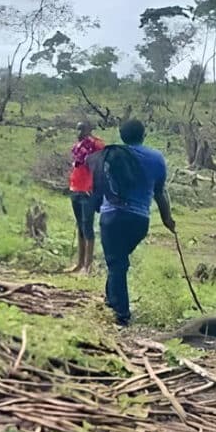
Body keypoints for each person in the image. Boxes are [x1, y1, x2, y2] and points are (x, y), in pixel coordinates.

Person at [88, 119, 175, 327]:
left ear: (121, 135)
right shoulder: (156, 158)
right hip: (139, 220)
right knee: (118, 261)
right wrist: (167, 220)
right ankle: (111, 301)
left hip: (112, 217)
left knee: (116, 263)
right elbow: (160, 192)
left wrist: (94, 207)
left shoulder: (112, 154)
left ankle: (121, 314)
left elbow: (97, 185)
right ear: (144, 135)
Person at [66, 121, 104, 274]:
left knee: (88, 226)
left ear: (89, 129)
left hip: (88, 190)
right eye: (77, 128)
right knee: (80, 226)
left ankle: (88, 266)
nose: (79, 131)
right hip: (75, 187)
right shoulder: (78, 146)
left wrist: (95, 187)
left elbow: (100, 167)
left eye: (82, 128)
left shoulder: (97, 145)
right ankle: (79, 263)